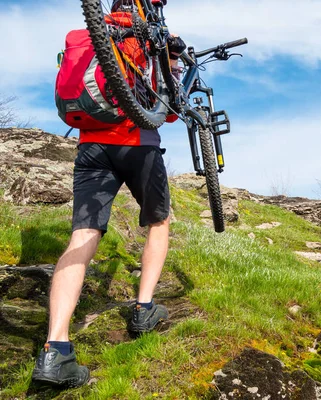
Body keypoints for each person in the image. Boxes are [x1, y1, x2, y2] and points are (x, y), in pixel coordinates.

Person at [31, 0, 186, 388]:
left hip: (90, 146)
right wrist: (171, 63)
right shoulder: (153, 40)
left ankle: (56, 351)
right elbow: (168, 111)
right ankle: (144, 308)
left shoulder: (89, 35)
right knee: (158, 221)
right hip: (138, 143)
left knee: (82, 235)